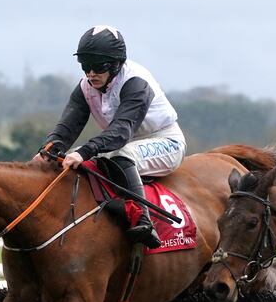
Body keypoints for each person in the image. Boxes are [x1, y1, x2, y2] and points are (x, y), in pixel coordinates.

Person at [34, 25, 187, 249]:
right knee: (59, 160)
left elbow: (120, 132)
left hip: (165, 141)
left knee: (118, 155)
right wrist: (49, 149)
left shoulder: (136, 82)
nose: (90, 74)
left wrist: (83, 151)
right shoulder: (86, 87)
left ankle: (143, 220)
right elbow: (67, 127)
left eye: (98, 67)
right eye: (86, 67)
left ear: (116, 64)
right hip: (119, 144)